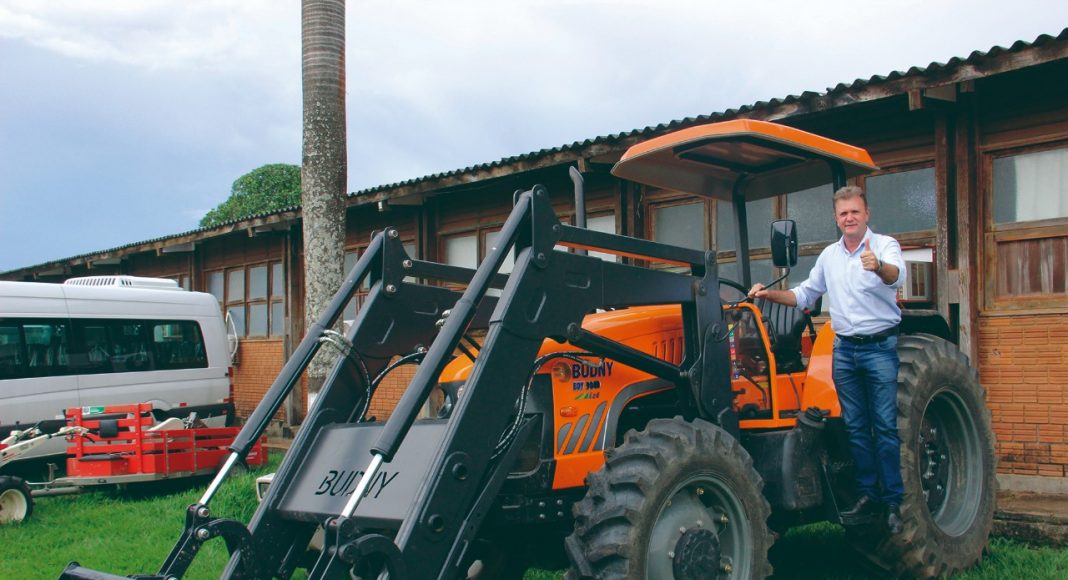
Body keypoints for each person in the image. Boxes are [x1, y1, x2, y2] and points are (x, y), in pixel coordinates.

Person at [748, 185, 907, 534]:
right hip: (845, 351)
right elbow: (804, 294)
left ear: (866, 214)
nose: (849, 218)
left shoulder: (884, 246)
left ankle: (893, 502)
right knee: (855, 427)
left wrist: (879, 267)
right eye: (843, 213)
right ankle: (868, 495)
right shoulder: (829, 256)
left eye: (855, 211)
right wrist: (767, 294)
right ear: (836, 218)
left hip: (878, 348)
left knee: (883, 427)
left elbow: (897, 275)